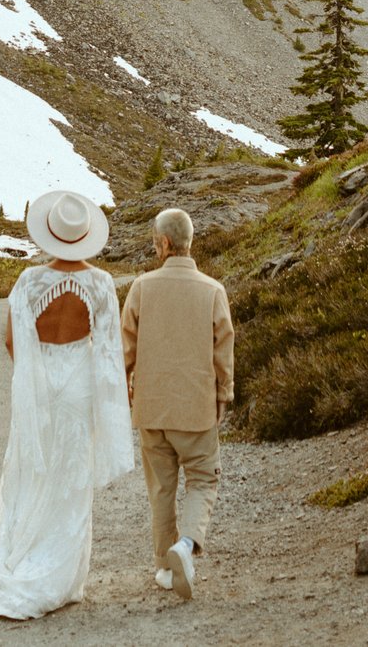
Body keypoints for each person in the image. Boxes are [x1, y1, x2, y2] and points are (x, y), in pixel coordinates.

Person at [0, 190, 135, 620]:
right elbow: (108, 349)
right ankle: (62, 580)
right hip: (80, 384)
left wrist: (33, 379)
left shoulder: (29, 282)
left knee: (33, 469)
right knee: (72, 476)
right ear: (84, 236)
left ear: (50, 234)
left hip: (41, 383)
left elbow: (13, 340)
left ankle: (23, 569)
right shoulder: (101, 283)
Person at [119, 206, 234, 601]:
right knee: (203, 478)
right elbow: (223, 349)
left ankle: (165, 570)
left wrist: (125, 391)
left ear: (165, 243)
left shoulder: (141, 287)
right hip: (196, 407)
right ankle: (185, 546)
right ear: (189, 242)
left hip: (151, 407)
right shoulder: (213, 290)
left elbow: (125, 351)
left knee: (161, 488)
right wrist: (224, 394)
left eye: (154, 241)